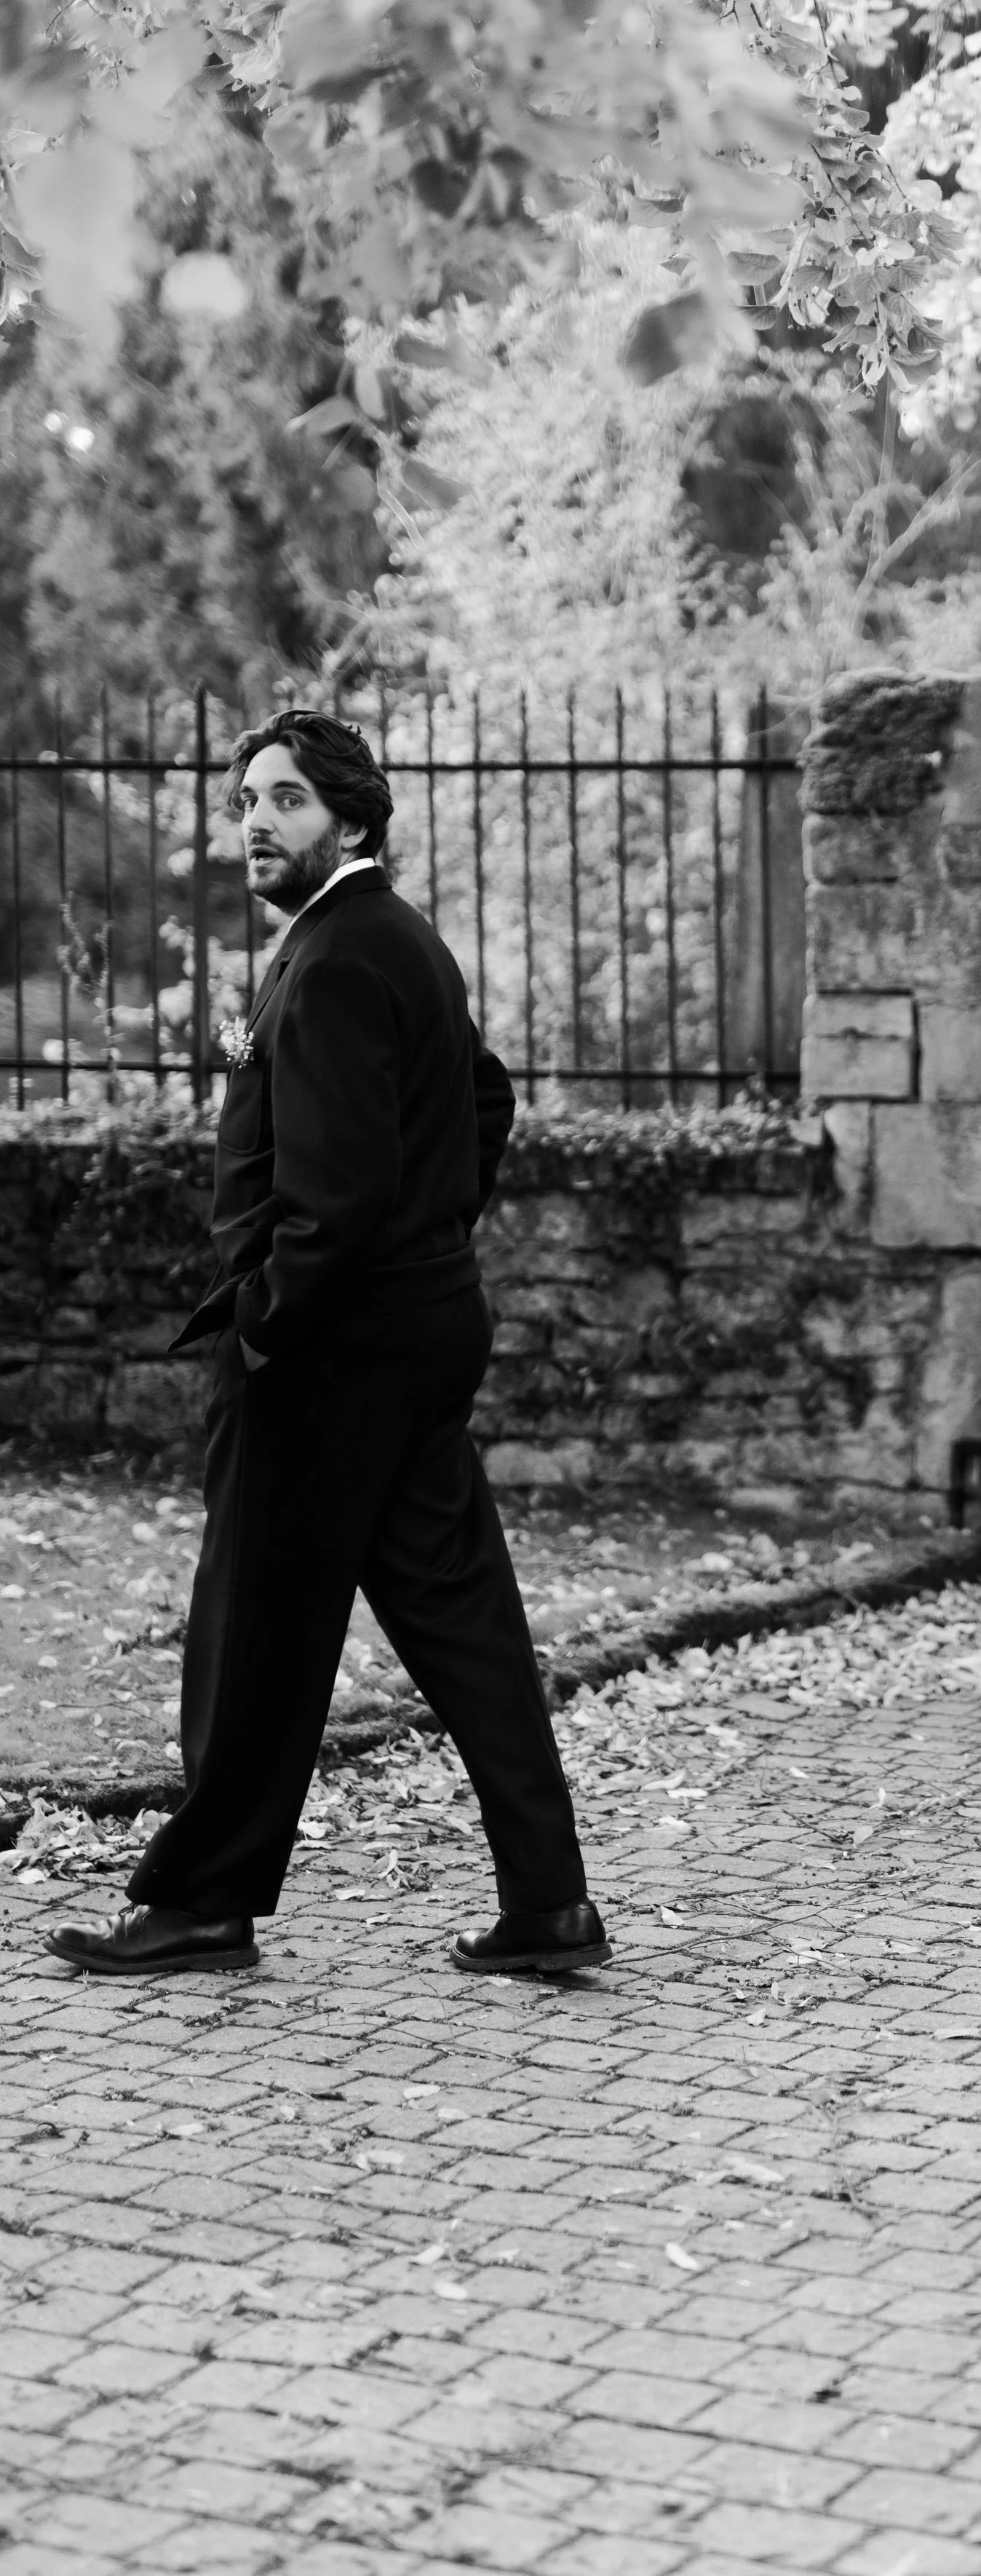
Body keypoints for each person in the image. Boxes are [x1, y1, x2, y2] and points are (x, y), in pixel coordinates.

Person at [48, 712, 606, 1979]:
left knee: (256, 1624)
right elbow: (485, 1095)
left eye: (288, 800)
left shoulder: (349, 955)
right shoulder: (372, 943)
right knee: (459, 1617)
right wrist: (432, 1238)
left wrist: (269, 1315)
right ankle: (549, 1901)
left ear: (351, 822)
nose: (256, 820)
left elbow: (339, 1193)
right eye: (248, 799)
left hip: (331, 1346)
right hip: (412, 1326)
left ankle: (200, 1903)